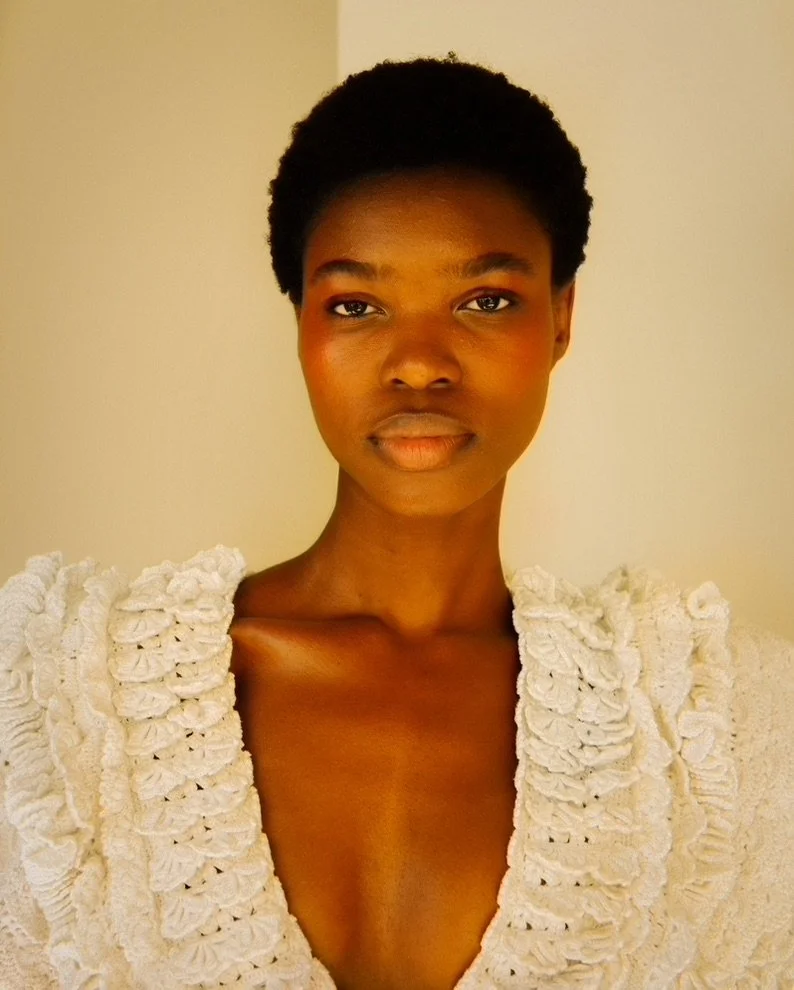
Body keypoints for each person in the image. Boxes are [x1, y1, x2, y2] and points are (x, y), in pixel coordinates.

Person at [0, 56, 791, 990]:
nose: (419, 364)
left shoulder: (713, 732)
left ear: (562, 319)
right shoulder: (62, 704)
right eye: (358, 305)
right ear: (300, 324)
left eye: (485, 300)